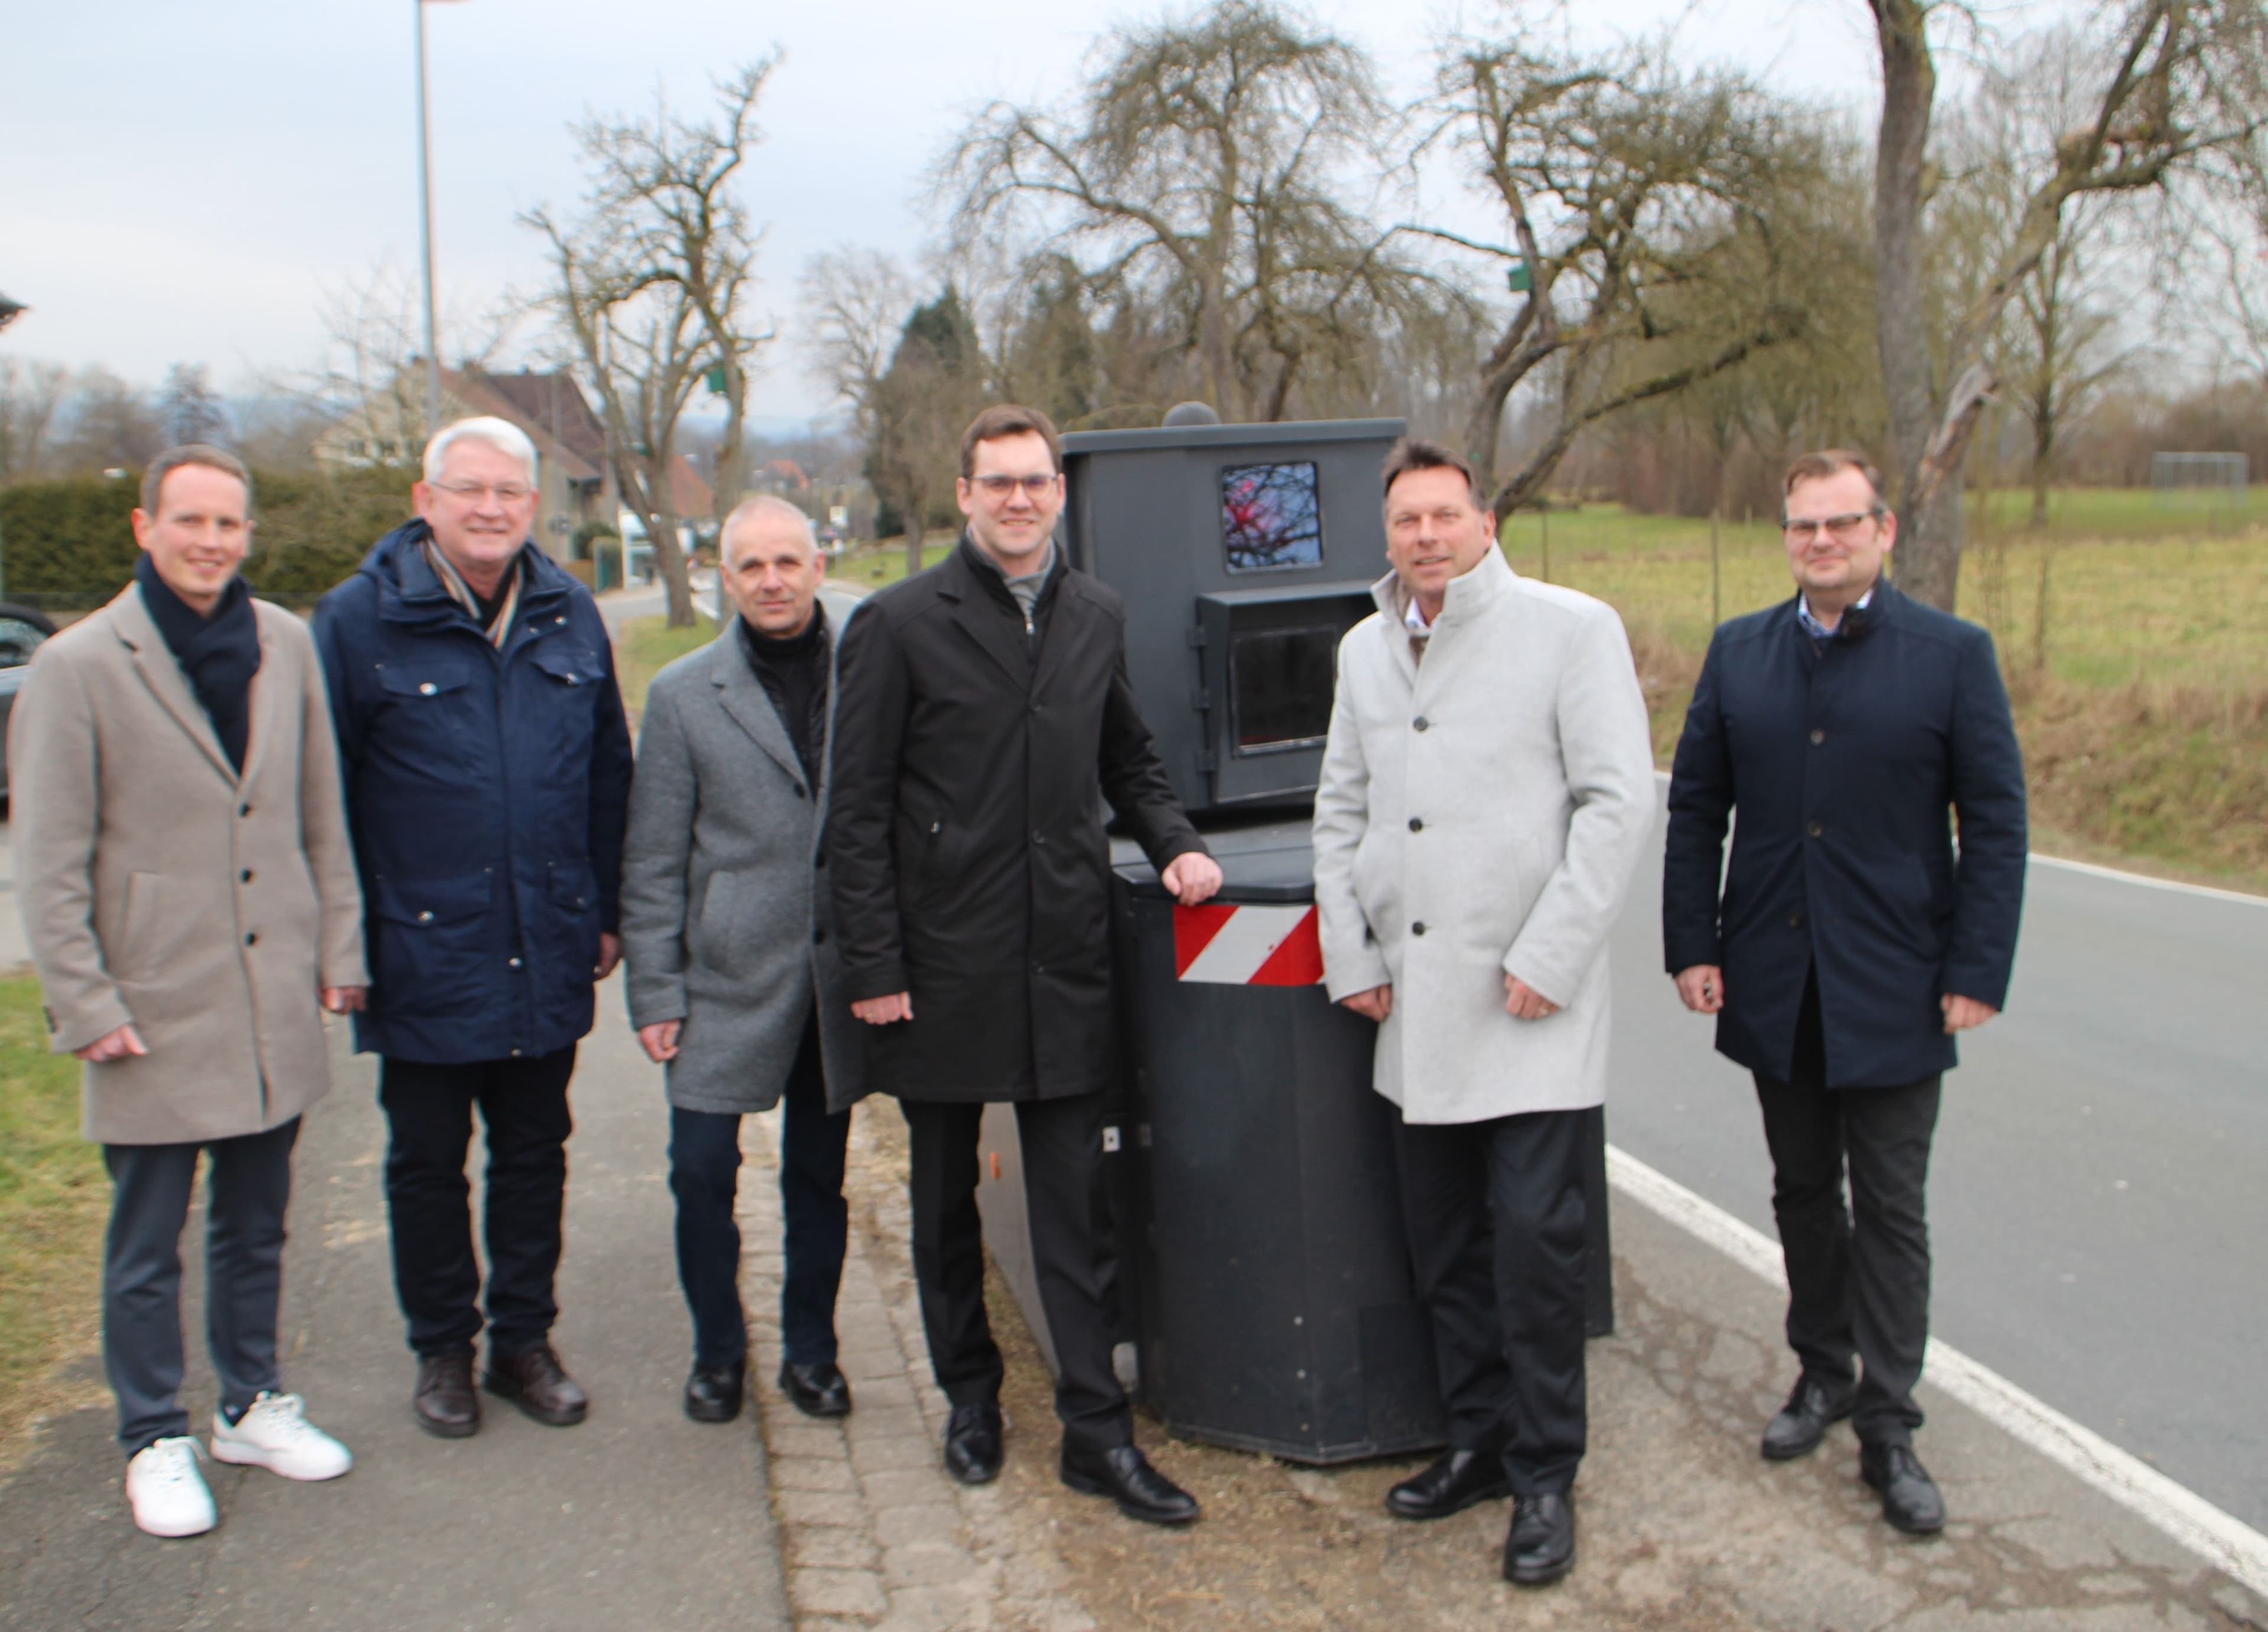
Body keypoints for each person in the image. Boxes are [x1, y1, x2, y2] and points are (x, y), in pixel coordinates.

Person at [826, 404, 1224, 1526]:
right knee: (946, 1208)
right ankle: (970, 1402)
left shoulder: (1095, 612)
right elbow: (855, 814)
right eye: (997, 482)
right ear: (963, 494)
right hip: (938, 968)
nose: (1018, 500)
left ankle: (1096, 1433)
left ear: (1060, 494)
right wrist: (875, 965)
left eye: (1035, 483)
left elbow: (1130, 759)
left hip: (1064, 959)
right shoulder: (901, 625)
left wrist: (1178, 847)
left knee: (1075, 1208)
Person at [1662, 449, 2026, 1536]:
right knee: (1802, 1193)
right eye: (1802, 527)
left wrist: (1975, 969)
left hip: (1901, 983)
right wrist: (1693, 944)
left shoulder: (1952, 658)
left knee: (1893, 1208)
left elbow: (1996, 823)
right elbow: (1695, 811)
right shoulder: (1740, 655)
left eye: (1841, 523)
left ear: (1884, 529)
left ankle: (1890, 1422)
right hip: (1776, 978)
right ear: (1785, 538)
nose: (1821, 542)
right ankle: (1820, 1371)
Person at [1312, 438, 1656, 1586]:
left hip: (1529, 1005)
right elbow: (1341, 811)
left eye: (1444, 515)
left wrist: (1552, 952)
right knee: (1447, 1247)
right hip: (1416, 1009)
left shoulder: (1570, 629)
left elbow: (1615, 803)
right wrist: (1350, 949)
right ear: (1389, 530)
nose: (1425, 535)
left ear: (1485, 518)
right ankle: (1479, 1438)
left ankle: (1548, 1472)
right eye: (1406, 519)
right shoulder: (1364, 649)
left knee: (1538, 1253)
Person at [12, 445, 365, 1537]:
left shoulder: (286, 646)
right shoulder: (79, 665)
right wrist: (85, 1001)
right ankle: (152, 1433)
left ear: (247, 535)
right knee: (147, 1238)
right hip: (151, 1002)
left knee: (257, 1223)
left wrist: (340, 950)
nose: (211, 541)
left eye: (229, 523)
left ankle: (251, 1402)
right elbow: (49, 855)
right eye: (191, 521)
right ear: (144, 526)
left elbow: (322, 813)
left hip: (269, 997)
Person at [313, 417, 633, 1439]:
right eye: (469, 490)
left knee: (536, 1152)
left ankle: (523, 1345)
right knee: (426, 1163)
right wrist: (343, 939)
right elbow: (324, 796)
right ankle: (442, 1351)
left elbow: (606, 778)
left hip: (546, 938)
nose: (489, 508)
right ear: (426, 499)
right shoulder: (359, 622)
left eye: (508, 492)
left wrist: (611, 911)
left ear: (533, 507)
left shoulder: (570, 614)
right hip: (421, 948)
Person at [620, 496, 868, 1425]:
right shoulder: (685, 694)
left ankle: (813, 1352)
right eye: (752, 566)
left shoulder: (871, 671)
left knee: (817, 1175)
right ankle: (717, 1351)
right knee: (700, 1170)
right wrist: (656, 988)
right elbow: (650, 858)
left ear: (815, 565)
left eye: (788, 563)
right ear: (727, 579)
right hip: (724, 976)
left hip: (834, 975)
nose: (772, 581)